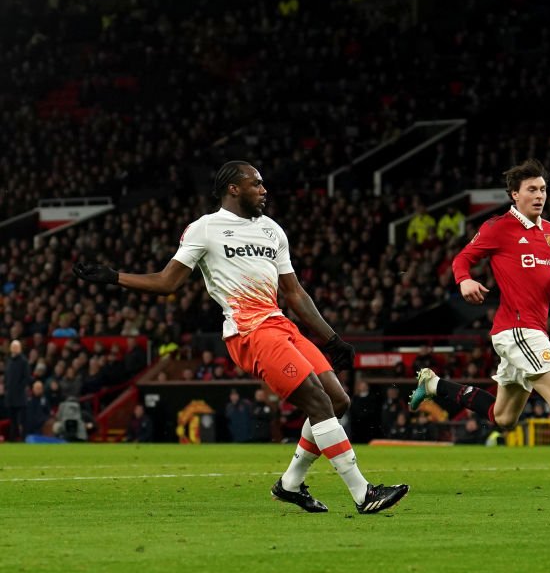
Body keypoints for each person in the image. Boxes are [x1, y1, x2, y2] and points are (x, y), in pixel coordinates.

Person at [73, 160, 408, 514]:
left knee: (338, 400)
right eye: (256, 184)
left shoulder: (272, 231)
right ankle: (363, 493)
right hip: (249, 331)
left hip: (280, 324)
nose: (264, 190)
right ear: (233, 188)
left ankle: (290, 484)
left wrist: (332, 338)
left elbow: (294, 293)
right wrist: (114, 277)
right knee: (317, 400)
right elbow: (167, 282)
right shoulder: (205, 229)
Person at [409, 159, 550, 499]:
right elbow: (462, 259)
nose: (539, 195)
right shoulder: (498, 227)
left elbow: (546, 282)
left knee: (504, 417)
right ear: (515, 195)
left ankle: (434, 383)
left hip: (530, 327)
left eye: (542, 189)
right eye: (531, 190)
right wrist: (464, 281)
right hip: (517, 329)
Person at [4, 340, 30, 441]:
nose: (14, 349)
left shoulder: (23, 361)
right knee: (12, 419)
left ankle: (22, 438)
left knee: (21, 420)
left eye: (16, 347)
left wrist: (19, 388)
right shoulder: (9, 360)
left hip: (19, 395)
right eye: (13, 347)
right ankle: (12, 438)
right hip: (10, 395)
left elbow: (26, 378)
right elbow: (7, 377)